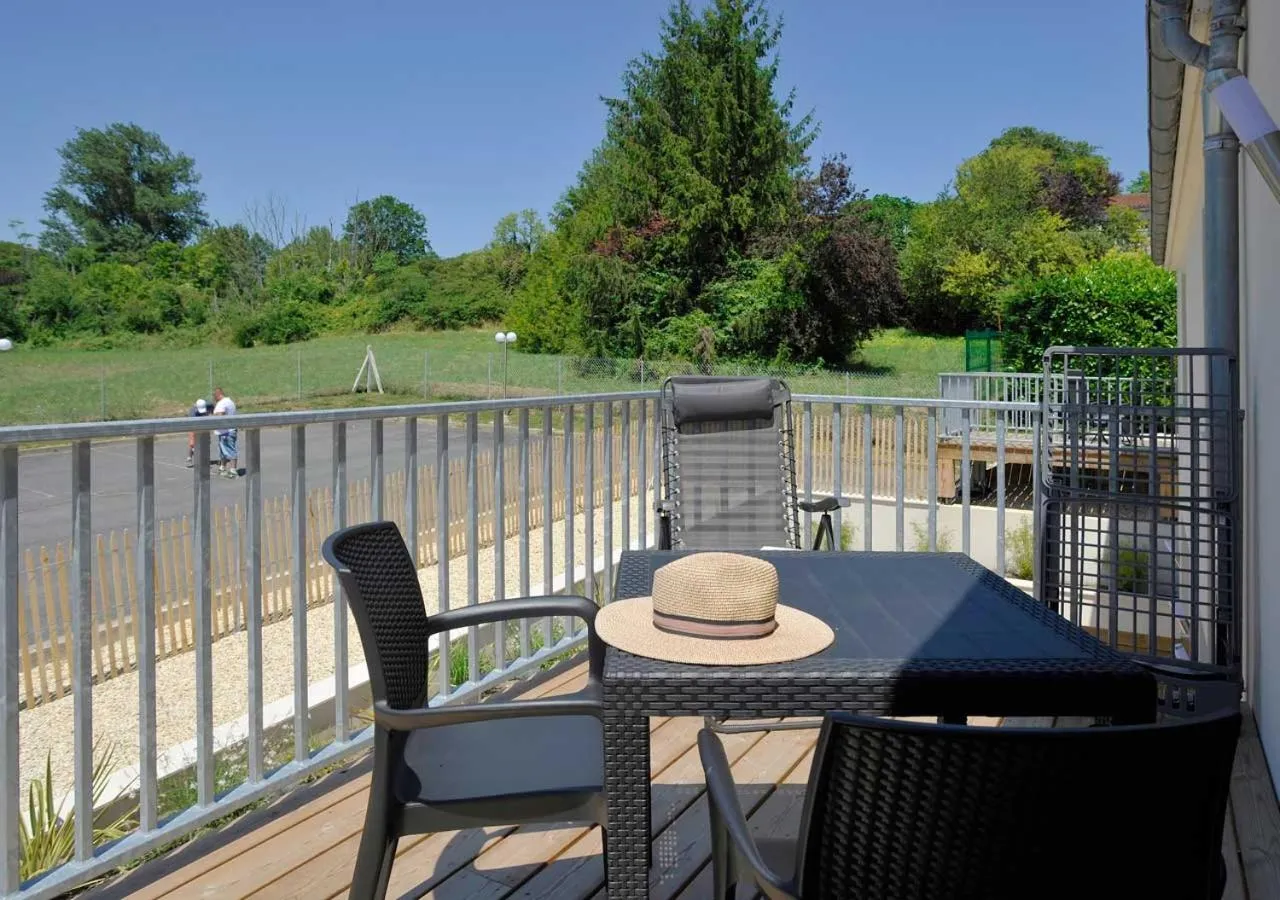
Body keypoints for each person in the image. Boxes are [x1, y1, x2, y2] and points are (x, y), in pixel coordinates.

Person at [212, 387, 238, 478]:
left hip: (226, 431)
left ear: (218, 394)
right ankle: (222, 468)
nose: (213, 398)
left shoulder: (222, 403)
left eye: (214, 395)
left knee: (230, 450)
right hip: (225, 430)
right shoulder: (230, 401)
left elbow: (220, 415)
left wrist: (212, 417)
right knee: (223, 451)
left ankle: (233, 471)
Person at [186, 398, 210, 467]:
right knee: (193, 444)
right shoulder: (192, 412)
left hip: (202, 428)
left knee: (205, 443)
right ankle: (190, 457)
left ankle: (202, 459)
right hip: (194, 428)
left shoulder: (207, 404)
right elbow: (191, 424)